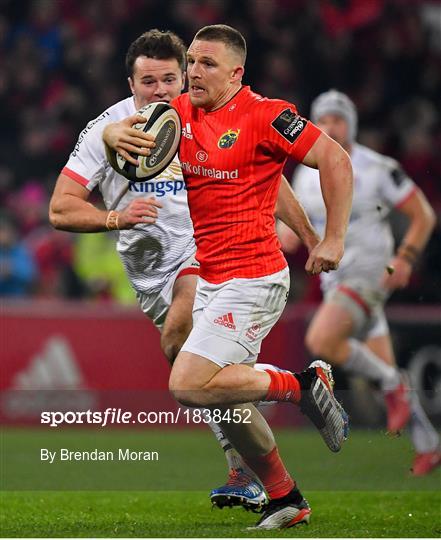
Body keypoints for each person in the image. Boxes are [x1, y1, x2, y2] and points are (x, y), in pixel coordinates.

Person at [48, 28, 327, 516]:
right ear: (130, 83)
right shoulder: (107, 130)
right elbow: (60, 210)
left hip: (207, 254)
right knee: (200, 377)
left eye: (170, 80)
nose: (160, 91)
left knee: (183, 334)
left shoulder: (208, 115)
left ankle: (279, 420)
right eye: (148, 81)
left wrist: (309, 237)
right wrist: (116, 217)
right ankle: (273, 484)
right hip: (148, 272)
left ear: (186, 76)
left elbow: (267, 179)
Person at [279, 89, 440, 476]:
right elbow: (291, 235)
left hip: (370, 272)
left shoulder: (376, 167)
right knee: (384, 366)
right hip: (337, 280)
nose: (331, 126)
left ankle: (393, 385)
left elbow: (424, 215)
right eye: (324, 119)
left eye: (339, 119)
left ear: (351, 124)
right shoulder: (305, 172)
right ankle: (429, 445)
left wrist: (405, 258)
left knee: (321, 340)